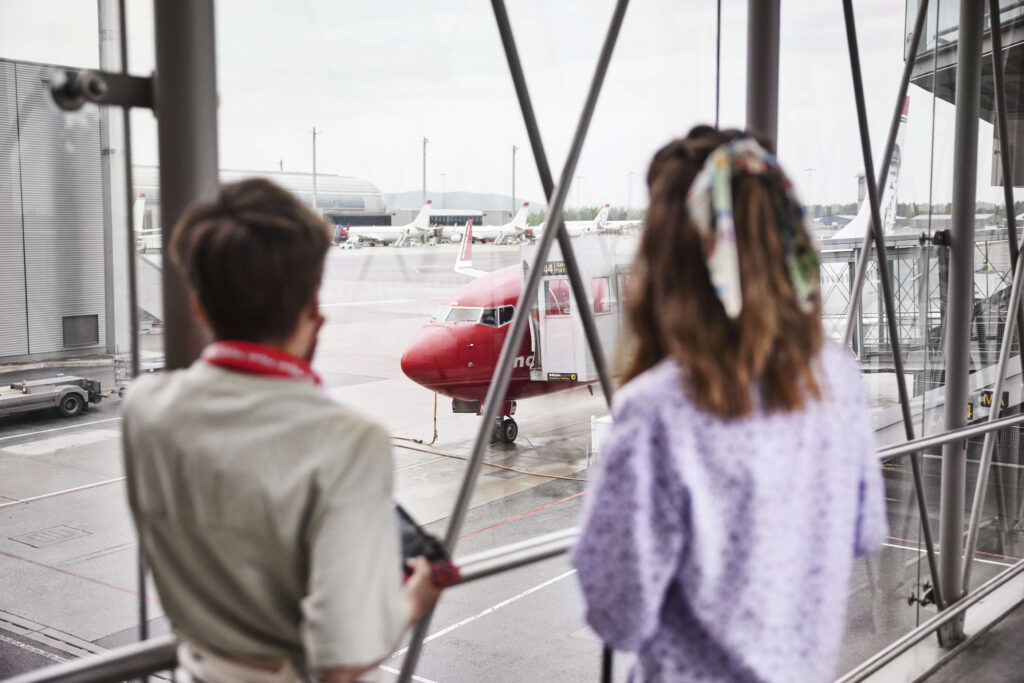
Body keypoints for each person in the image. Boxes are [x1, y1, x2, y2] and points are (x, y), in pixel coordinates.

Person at [573, 127, 887, 682]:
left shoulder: (660, 411)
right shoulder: (838, 376)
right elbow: (864, 534)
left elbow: (617, 616)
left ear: (670, 258)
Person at [121, 178, 442, 683]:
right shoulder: (346, 441)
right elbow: (343, 662)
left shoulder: (143, 408)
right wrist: (412, 600)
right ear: (314, 306)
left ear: (200, 307)